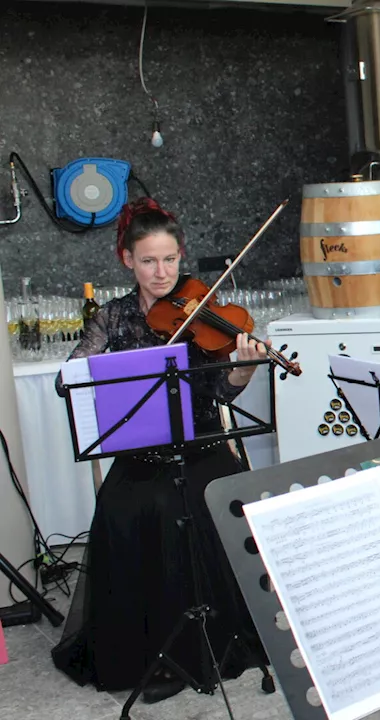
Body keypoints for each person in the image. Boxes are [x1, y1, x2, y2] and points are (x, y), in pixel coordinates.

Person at [51, 197, 271, 704]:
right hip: (141, 454)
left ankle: (219, 640)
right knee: (129, 509)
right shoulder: (112, 317)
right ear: (127, 259)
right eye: (148, 260)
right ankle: (154, 654)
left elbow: (220, 393)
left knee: (199, 504)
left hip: (201, 447)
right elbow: (73, 376)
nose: (162, 271)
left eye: (170, 259)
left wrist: (243, 367)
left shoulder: (204, 310)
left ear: (180, 255)